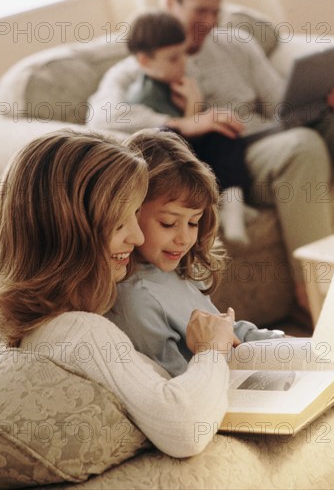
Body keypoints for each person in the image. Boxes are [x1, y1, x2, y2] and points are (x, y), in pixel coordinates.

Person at [88, 0, 334, 310]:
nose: (210, 22)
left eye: (215, 12)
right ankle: (317, 290)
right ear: (171, 3)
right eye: (200, 11)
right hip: (231, 155)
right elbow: (100, 117)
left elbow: (281, 104)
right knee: (301, 147)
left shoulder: (236, 43)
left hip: (267, 130)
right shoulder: (141, 63)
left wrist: (326, 99)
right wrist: (186, 123)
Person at [0, 129, 240, 458]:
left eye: (135, 217)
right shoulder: (80, 331)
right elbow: (185, 431)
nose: (137, 237)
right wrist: (210, 350)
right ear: (68, 231)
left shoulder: (40, 321)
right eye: (120, 224)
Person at [107, 130, 285, 378]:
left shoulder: (178, 267)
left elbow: (231, 331)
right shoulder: (135, 301)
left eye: (193, 223)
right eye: (168, 223)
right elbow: (178, 384)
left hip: (236, 373)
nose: (184, 238)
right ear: (131, 212)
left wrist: (288, 345)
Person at [126, 9, 253, 242]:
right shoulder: (145, 96)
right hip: (169, 167)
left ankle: (233, 203)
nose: (183, 63)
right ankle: (223, 207)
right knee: (171, 135)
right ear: (145, 61)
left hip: (191, 155)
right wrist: (193, 108)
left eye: (184, 54)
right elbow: (168, 146)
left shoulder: (176, 83)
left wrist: (198, 111)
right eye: (174, 58)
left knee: (225, 131)